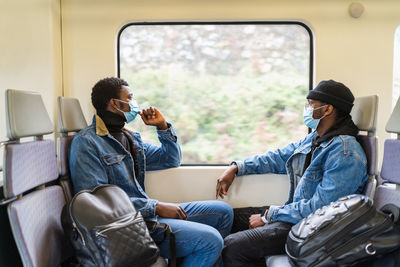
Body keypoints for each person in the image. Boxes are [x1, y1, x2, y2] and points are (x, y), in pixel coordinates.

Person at [70, 77, 233, 267]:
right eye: (129, 98)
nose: (134, 104)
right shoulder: (87, 143)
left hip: (146, 214)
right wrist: (154, 207)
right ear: (115, 103)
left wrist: (162, 127)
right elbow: (97, 207)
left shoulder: (130, 138)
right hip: (128, 226)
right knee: (211, 240)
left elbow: (170, 159)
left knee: (224, 213)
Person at [216, 80, 368, 266]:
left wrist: (268, 216)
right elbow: (279, 157)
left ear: (327, 110)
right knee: (225, 218)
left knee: (232, 247)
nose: (306, 109)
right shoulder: (315, 139)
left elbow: (322, 210)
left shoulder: (346, 153)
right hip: (296, 217)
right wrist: (238, 167)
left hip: (314, 229)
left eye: (311, 104)